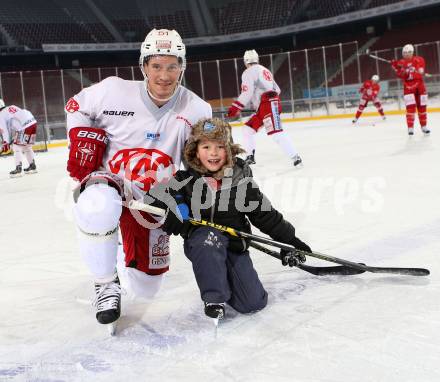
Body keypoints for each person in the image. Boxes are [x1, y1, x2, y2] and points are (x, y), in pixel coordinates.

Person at [65, 28, 212, 327]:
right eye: (156, 65)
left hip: (152, 201)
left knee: (146, 288)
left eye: (172, 65)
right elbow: (75, 106)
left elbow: (203, 165)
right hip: (110, 184)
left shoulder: (197, 109)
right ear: (143, 66)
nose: (164, 75)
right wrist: (80, 136)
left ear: (183, 67)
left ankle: (117, 250)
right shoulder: (112, 90)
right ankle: (105, 283)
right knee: (97, 205)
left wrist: (185, 201)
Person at [157, 118, 312, 320]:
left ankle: (224, 276)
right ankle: (214, 297)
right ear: (195, 150)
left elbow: (265, 214)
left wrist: (289, 241)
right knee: (209, 238)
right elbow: (157, 196)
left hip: (234, 243)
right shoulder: (184, 179)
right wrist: (175, 208)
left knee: (252, 303)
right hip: (204, 243)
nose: (213, 153)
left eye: (220, 146)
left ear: (229, 150)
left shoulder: (240, 180)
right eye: (206, 146)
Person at [226, 49, 302, 167]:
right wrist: (265, 103)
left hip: (267, 106)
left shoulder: (248, 72)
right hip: (266, 106)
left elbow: (247, 92)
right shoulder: (265, 70)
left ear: (246, 61)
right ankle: (250, 156)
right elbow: (277, 90)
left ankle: (295, 157)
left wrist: (236, 107)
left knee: (276, 133)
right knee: (247, 130)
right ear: (257, 59)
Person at [391, 44, 430, 136]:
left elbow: (421, 70)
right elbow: (401, 75)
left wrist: (416, 68)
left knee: (422, 106)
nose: (407, 54)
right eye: (404, 52)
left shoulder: (419, 59)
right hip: (408, 87)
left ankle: (424, 126)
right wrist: (396, 68)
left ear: (412, 52)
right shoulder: (400, 62)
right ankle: (410, 128)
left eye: (409, 52)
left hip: (420, 86)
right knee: (410, 108)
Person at [0, 99, 38, 177]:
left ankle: (18, 169)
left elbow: (5, 130)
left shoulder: (1, 115)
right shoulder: (11, 107)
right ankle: (32, 166)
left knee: (16, 147)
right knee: (26, 146)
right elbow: (14, 123)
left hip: (24, 126)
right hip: (32, 122)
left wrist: (5, 142)